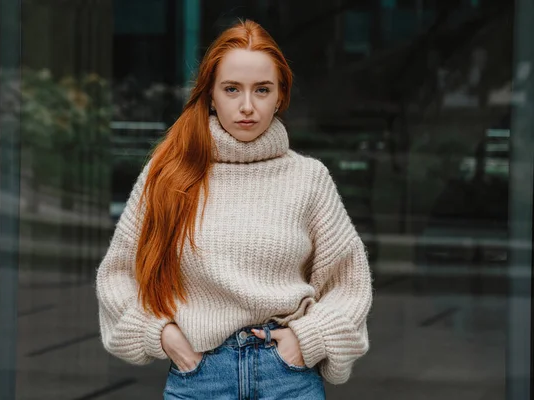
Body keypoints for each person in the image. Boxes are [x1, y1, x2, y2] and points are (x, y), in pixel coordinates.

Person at [96, 19, 373, 399]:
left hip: (287, 379)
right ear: (210, 94)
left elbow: (348, 283)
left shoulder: (309, 178)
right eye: (231, 89)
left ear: (280, 97)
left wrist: (304, 340)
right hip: (200, 376)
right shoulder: (169, 173)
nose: (247, 106)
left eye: (262, 90)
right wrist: (165, 336)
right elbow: (118, 274)